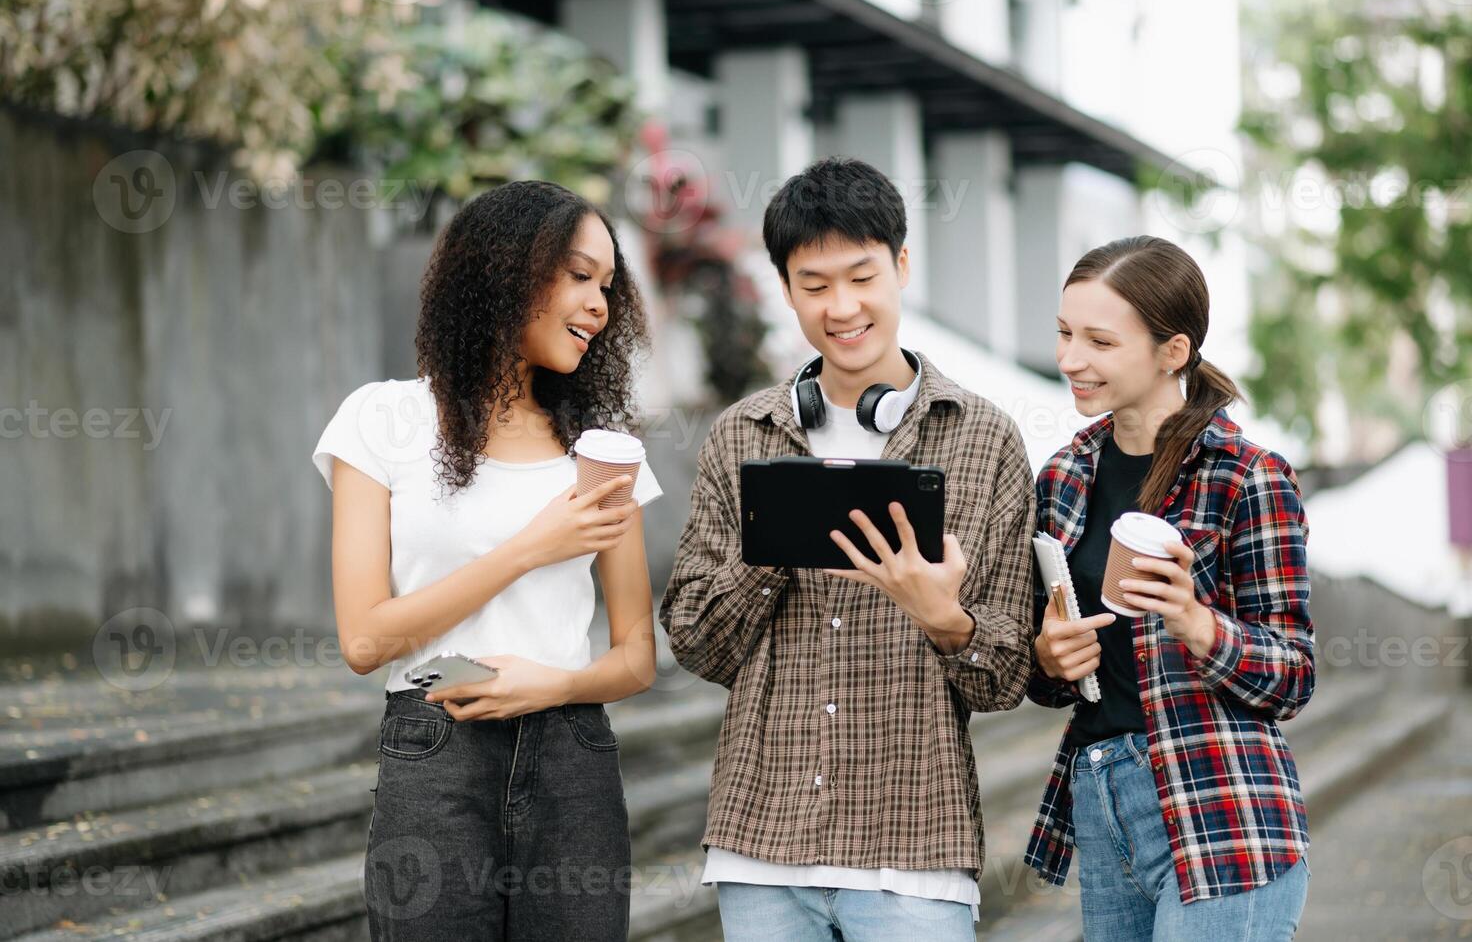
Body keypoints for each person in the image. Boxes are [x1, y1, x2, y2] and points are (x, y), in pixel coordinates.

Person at [660, 156, 1036, 940]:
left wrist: (946, 619)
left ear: (901, 265)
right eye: (814, 284)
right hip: (761, 848)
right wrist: (774, 549)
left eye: (861, 276)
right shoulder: (744, 435)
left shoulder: (986, 439)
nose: (842, 306)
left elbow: (1007, 677)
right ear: (784, 287)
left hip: (915, 852)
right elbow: (694, 635)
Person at [311, 180, 663, 941]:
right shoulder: (383, 420)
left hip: (573, 757)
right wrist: (532, 548)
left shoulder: (600, 454)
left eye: (607, 285)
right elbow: (365, 642)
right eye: (578, 275)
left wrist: (557, 683)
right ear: (504, 271)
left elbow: (637, 657)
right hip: (436, 746)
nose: (600, 304)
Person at [1024, 235, 1313, 939]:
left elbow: (1294, 675)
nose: (1070, 360)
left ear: (1172, 351)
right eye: (1064, 334)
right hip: (1100, 796)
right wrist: (1050, 658)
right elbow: (1052, 670)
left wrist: (1197, 623)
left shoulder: (1247, 475)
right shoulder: (1063, 475)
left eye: (1099, 341)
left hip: (1222, 808)